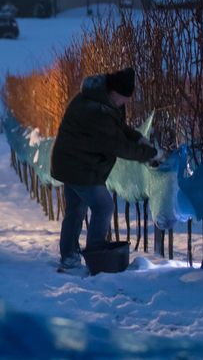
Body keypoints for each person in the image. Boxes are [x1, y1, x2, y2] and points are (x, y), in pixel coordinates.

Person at [50, 67, 162, 270]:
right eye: (123, 98)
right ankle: (97, 254)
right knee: (104, 207)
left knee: (76, 209)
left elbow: (119, 129)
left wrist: (138, 138)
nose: (124, 103)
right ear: (113, 92)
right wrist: (150, 154)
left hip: (71, 162)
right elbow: (116, 145)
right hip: (79, 166)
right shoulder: (95, 110)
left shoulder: (102, 101)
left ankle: (69, 256)